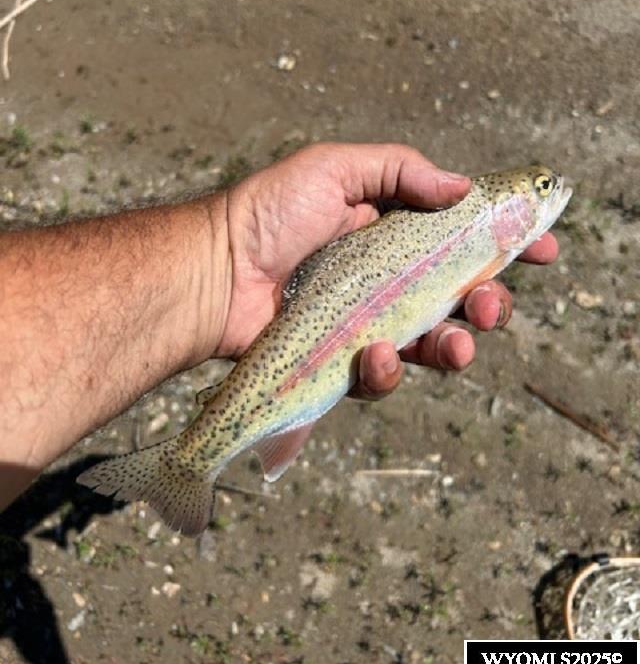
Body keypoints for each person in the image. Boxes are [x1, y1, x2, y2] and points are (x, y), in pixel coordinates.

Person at [0, 142, 558, 510]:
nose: (549, 193)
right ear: (508, 205)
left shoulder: (482, 232)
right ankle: (189, 462)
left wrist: (220, 257)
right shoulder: (473, 217)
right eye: (540, 188)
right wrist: (225, 251)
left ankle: (198, 456)